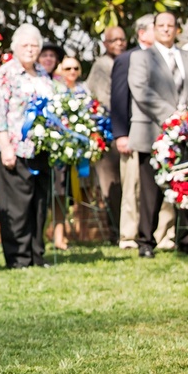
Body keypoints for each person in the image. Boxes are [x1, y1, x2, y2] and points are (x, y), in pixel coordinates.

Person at [129, 12, 188, 258]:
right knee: (151, 192)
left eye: (170, 26)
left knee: (186, 186)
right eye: (160, 26)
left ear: (177, 29)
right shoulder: (141, 57)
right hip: (154, 133)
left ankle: (186, 237)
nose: (165, 30)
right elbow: (141, 90)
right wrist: (174, 117)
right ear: (153, 29)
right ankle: (145, 242)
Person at [0, 24, 56, 269]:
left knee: (39, 204)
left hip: (40, 149)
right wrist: (5, 146)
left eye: (34, 45)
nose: (30, 49)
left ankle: (37, 255)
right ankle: (17, 258)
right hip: (14, 149)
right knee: (16, 207)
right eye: (25, 45)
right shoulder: (5, 74)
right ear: (15, 48)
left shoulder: (43, 73)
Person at [110, 15, 175, 251]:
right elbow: (119, 99)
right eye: (155, 28)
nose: (163, 32)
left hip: (168, 133)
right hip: (136, 134)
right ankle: (129, 236)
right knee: (133, 190)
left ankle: (163, 236)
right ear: (142, 33)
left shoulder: (169, 59)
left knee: (165, 188)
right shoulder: (127, 59)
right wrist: (121, 133)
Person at [86, 26, 127, 244]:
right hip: (108, 134)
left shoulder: (128, 62)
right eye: (114, 40)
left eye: (122, 39)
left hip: (128, 132)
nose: (119, 43)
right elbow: (103, 100)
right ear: (105, 44)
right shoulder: (102, 66)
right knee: (112, 186)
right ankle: (116, 232)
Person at [50, 55, 88, 251]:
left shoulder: (84, 91)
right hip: (59, 150)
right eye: (67, 69)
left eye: (75, 68)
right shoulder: (54, 89)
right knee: (59, 193)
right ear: (60, 70)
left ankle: (79, 234)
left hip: (79, 151)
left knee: (76, 193)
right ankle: (57, 236)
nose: (72, 72)